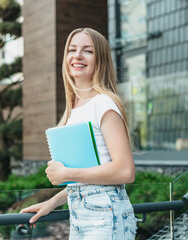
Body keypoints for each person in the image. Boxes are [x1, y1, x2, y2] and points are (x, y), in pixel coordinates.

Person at [20, 27, 137, 240]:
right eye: (72, 50)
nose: (77, 56)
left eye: (88, 51)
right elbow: (90, 179)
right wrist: (52, 203)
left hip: (105, 215)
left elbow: (125, 171)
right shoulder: (74, 109)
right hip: (81, 215)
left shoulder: (104, 103)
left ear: (99, 59)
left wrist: (67, 174)